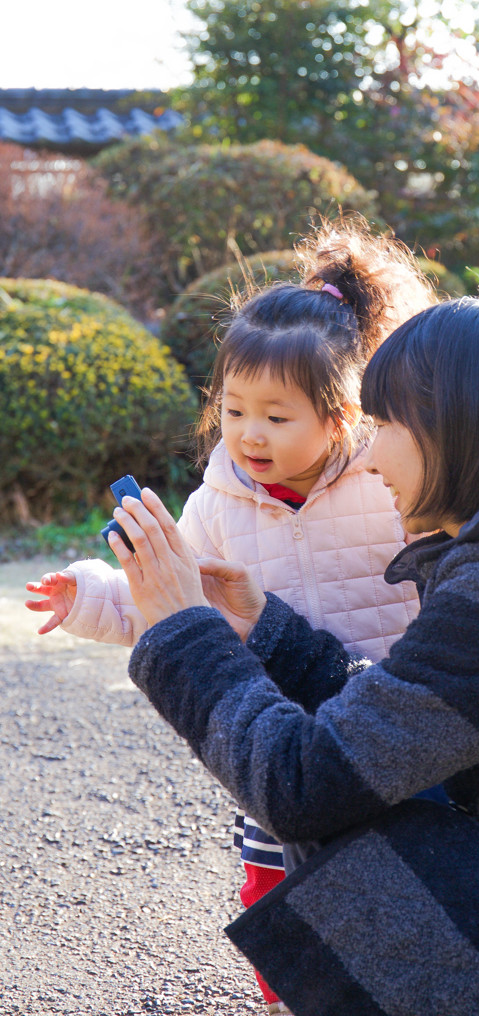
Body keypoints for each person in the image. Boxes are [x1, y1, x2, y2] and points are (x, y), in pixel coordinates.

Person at [94, 295, 479, 1015]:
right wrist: (268, 633)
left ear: (460, 431)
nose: (370, 450)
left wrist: (183, 631)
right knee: (371, 789)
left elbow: (303, 784)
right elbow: (403, 723)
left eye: (386, 424)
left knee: (349, 828)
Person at [25, 218, 437, 1016]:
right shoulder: (216, 502)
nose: (249, 432)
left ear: (343, 411)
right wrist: (90, 596)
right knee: (277, 883)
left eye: (277, 416)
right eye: (235, 408)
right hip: (277, 732)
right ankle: (290, 993)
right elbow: (171, 599)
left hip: (388, 727)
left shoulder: (389, 481)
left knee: (402, 877)